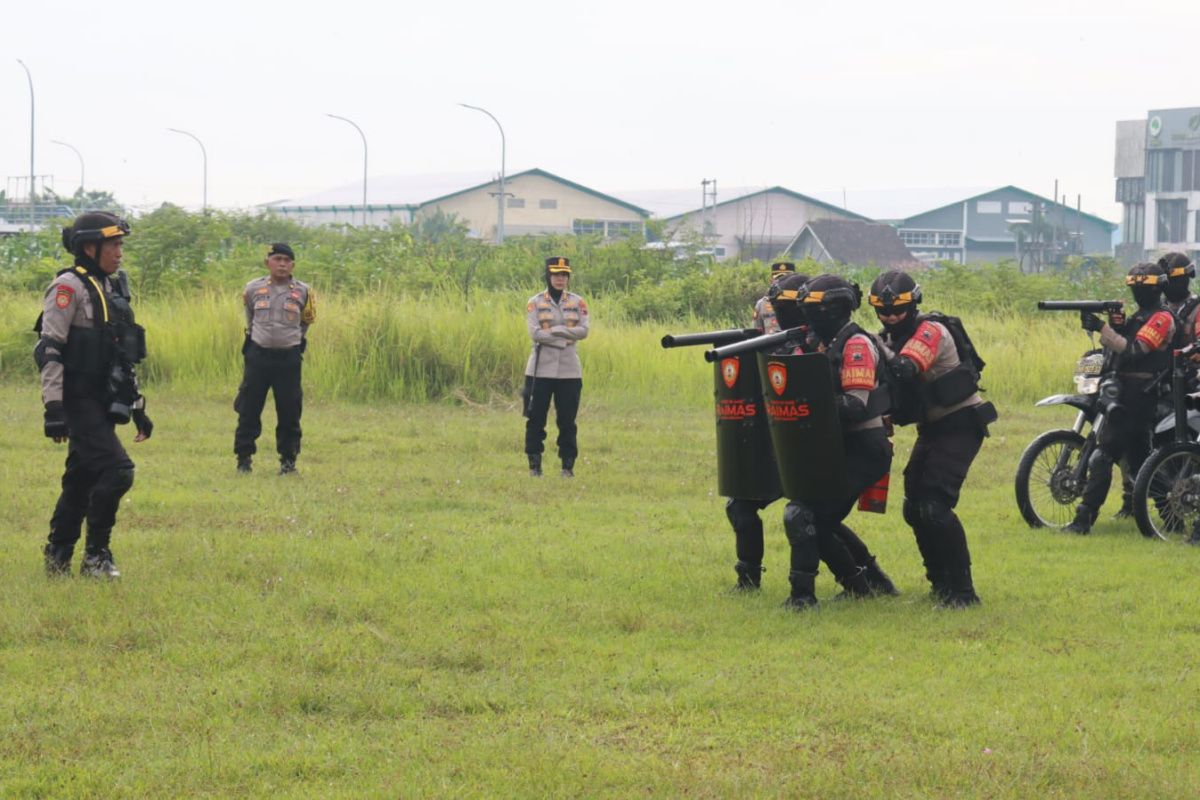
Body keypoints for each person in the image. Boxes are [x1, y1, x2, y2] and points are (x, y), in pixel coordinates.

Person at [35, 212, 152, 579]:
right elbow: (50, 349)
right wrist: (53, 407)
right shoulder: (68, 287)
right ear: (90, 247)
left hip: (102, 400)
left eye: (120, 244)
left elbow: (120, 355)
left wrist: (137, 406)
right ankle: (96, 556)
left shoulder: (110, 287)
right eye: (113, 245)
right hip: (76, 399)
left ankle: (58, 553)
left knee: (81, 477)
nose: (119, 252)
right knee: (118, 471)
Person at [870, 270, 997, 607]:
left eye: (897, 309)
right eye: (883, 311)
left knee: (934, 506)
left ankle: (964, 592)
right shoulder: (888, 338)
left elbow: (905, 370)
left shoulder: (931, 331)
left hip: (960, 423)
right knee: (914, 507)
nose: (890, 316)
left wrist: (870, 343)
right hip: (933, 427)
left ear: (913, 304)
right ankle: (940, 584)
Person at [780, 274, 894, 609]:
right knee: (819, 520)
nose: (806, 313)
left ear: (833, 309)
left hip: (864, 446)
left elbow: (855, 406)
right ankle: (866, 585)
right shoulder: (825, 342)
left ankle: (803, 598)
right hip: (839, 445)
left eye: (812, 307)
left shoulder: (856, 344)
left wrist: (809, 399)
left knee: (805, 516)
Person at [1067, 262, 1177, 534]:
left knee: (1102, 457)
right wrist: (1112, 325)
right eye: (1135, 286)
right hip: (1124, 392)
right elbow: (1118, 350)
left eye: (1144, 287)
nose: (1139, 291)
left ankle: (1083, 519)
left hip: (1140, 396)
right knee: (1142, 465)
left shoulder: (1161, 318)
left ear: (1158, 287)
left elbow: (1134, 351)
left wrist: (1104, 328)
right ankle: (1172, 516)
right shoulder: (1140, 316)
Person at [233, 243, 315, 475]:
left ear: (293, 265)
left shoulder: (304, 291)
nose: (282, 264)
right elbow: (250, 319)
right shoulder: (252, 288)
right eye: (277, 259)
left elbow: (306, 321)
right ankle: (244, 459)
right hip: (258, 356)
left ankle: (288, 462)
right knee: (249, 408)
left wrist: (293, 341)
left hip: (288, 358)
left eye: (286, 260)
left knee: (290, 410)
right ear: (267, 262)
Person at [524, 256, 589, 477]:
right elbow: (535, 333)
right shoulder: (535, 302)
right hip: (539, 370)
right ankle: (535, 466)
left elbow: (584, 331)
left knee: (567, 421)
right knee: (535, 419)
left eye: (564, 275)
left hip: (569, 371)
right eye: (556, 274)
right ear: (548, 275)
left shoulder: (578, 302)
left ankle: (567, 467)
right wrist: (564, 337)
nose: (560, 279)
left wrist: (556, 331)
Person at [751, 261, 796, 334]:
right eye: (778, 279)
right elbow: (756, 332)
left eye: (786, 279)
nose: (782, 283)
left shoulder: (800, 301)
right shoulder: (761, 304)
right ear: (771, 281)